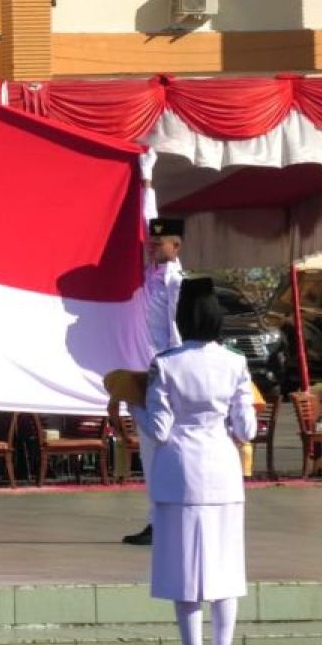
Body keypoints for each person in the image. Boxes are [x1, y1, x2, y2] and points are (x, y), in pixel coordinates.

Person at [131, 277, 256, 645]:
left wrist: (134, 405)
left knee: (184, 576)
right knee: (225, 572)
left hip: (180, 474)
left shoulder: (165, 363)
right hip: (221, 471)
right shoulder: (235, 362)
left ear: (182, 318)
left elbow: (160, 429)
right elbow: (246, 429)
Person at [124, 216, 185, 547]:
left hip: (166, 371)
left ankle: (169, 518)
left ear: (176, 247)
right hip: (145, 369)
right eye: (150, 241)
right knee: (149, 450)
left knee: (164, 445)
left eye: (158, 243)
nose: (151, 246)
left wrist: (174, 370)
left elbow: (177, 329)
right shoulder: (148, 276)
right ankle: (156, 519)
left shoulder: (176, 282)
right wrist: (145, 182)